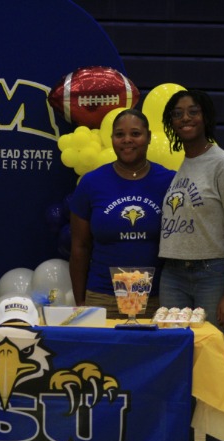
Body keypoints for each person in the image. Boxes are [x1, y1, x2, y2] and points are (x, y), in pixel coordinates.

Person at [159, 90, 224, 441]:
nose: (185, 118)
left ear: (205, 116)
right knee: (179, 368)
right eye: (178, 113)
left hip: (214, 275)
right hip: (174, 276)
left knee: (213, 370)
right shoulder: (182, 165)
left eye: (192, 111)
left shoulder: (223, 164)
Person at [69, 109, 175, 318]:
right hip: (102, 297)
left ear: (148, 137)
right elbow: (79, 247)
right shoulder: (91, 183)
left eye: (135, 134)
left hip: (157, 299)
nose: (127, 140)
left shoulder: (169, 181)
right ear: (112, 139)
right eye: (120, 134)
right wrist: (80, 301)